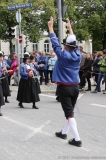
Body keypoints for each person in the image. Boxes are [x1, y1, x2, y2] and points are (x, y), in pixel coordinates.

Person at [48, 17, 82, 147]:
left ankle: (77, 139)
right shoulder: (78, 55)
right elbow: (74, 42)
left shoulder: (62, 55)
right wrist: (69, 28)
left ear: (66, 46)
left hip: (64, 88)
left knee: (69, 114)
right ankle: (63, 132)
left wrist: (51, 27)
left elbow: (55, 43)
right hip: (75, 88)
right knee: (70, 112)